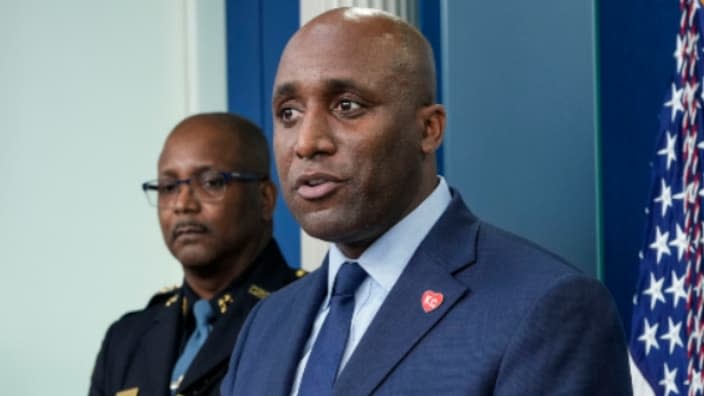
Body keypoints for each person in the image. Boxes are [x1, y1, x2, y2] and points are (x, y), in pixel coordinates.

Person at [220, 7, 632, 396]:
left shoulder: (548, 308)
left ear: (429, 129)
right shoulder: (266, 323)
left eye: (347, 106)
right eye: (288, 113)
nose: (307, 142)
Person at [89, 112, 304, 396]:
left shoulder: (311, 314)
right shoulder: (126, 339)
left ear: (264, 199)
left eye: (211, 182)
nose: (182, 204)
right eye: (168, 187)